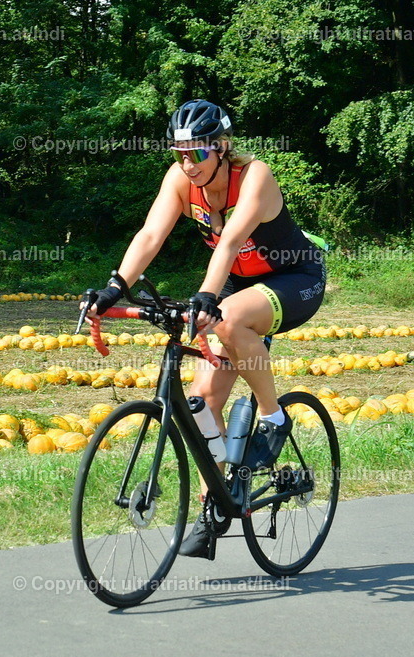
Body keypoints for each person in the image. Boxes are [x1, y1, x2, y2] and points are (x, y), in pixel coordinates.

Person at [83, 99, 327, 558]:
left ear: (222, 146)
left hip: (293, 279)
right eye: (178, 153)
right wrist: (115, 288)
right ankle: (215, 501)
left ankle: (274, 418)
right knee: (201, 402)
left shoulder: (255, 175)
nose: (186, 164)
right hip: (238, 284)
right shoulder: (181, 179)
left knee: (230, 316)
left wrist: (207, 297)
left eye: (195, 153)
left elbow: (232, 241)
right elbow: (150, 235)